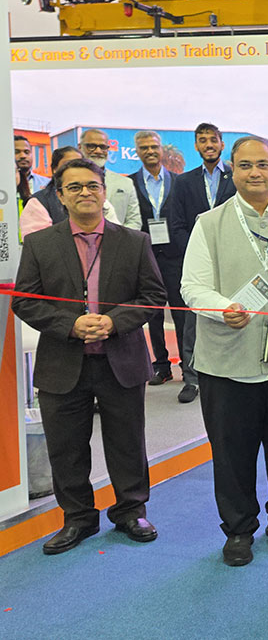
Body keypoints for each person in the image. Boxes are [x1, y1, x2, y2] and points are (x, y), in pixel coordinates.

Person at [12, 157, 166, 554]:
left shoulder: (134, 242)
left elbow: (153, 297)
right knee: (66, 447)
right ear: (61, 196)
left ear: (104, 192)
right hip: (62, 362)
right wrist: (71, 324)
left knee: (127, 443)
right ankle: (77, 518)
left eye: (92, 185)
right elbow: (24, 301)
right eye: (74, 187)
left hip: (121, 360)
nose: (85, 192)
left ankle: (131, 511)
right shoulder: (41, 244)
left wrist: (113, 322)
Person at [180, 136, 268, 567]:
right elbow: (192, 286)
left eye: (263, 164)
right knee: (231, 451)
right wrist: (223, 308)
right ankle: (239, 529)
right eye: (244, 165)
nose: (254, 173)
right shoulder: (209, 223)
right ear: (233, 171)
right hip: (228, 356)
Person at [167, 122, 237, 404]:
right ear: (196, 146)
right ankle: (191, 379)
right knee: (192, 321)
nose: (208, 144)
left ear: (222, 144)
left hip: (232, 259)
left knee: (233, 313)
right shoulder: (183, 182)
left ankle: (228, 373)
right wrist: (198, 254)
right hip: (196, 261)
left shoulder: (236, 178)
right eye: (203, 140)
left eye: (213, 140)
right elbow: (176, 224)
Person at [129, 131, 180, 386]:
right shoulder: (129, 183)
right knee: (153, 315)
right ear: (137, 151)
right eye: (144, 147)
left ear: (161, 149)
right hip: (145, 256)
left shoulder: (179, 182)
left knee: (181, 314)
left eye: (154, 146)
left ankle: (188, 366)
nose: (150, 151)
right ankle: (161, 366)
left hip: (175, 257)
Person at [19, 147, 121, 237]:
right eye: (68, 164)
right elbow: (38, 243)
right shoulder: (39, 202)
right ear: (55, 169)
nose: (75, 169)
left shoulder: (97, 196)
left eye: (79, 164)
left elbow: (116, 234)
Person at [78, 129, 142, 230]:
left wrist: (118, 237)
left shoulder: (125, 183)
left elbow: (134, 221)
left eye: (103, 147)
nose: (98, 151)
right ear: (80, 147)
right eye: (91, 146)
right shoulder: (70, 182)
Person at [14, 134, 50, 204]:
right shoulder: (4, 184)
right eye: (17, 152)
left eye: (26, 152)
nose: (23, 156)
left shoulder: (47, 183)